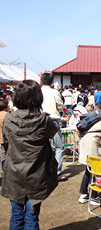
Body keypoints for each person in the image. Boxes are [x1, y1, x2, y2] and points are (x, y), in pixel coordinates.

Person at [1, 80, 59, 229]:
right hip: (36, 174)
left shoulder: (8, 118)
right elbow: (53, 131)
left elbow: (6, 143)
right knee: (32, 216)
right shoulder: (43, 120)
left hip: (14, 172)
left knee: (16, 216)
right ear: (37, 98)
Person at [41, 72, 66, 180]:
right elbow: (60, 106)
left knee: (43, 147)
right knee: (59, 147)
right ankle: (56, 172)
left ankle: (43, 171)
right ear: (52, 82)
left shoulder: (38, 91)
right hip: (53, 120)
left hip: (40, 120)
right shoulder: (54, 92)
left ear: (41, 81)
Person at [0, 98, 9, 172]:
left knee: (3, 155)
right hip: (7, 137)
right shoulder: (7, 115)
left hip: (1, 139)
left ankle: (3, 170)